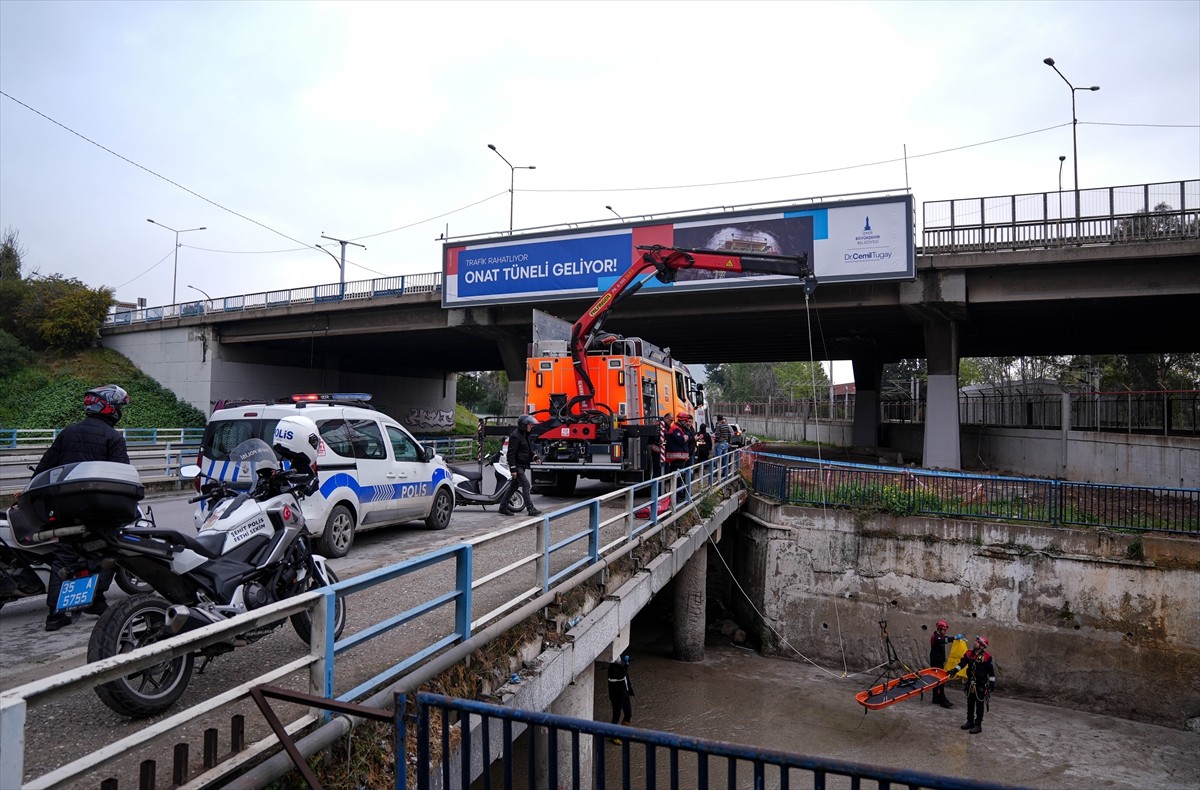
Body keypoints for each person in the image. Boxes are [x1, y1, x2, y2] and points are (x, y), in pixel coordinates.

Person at [35, 385, 131, 631]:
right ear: (111, 408)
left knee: (65, 557)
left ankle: (56, 616)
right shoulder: (113, 438)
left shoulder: (68, 432)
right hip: (99, 512)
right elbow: (121, 477)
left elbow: (44, 467)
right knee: (108, 554)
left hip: (65, 511)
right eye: (119, 406)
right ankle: (95, 598)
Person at [945, 635, 996, 734]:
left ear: (981, 646)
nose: (975, 643)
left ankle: (978, 725)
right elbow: (962, 664)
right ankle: (970, 721)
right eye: (976, 641)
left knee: (979, 705)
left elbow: (991, 672)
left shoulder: (987, 657)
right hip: (970, 683)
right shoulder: (969, 654)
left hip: (980, 685)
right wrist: (954, 671)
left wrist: (992, 684)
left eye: (977, 642)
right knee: (970, 703)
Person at [500, 414, 543, 517]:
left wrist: (535, 457)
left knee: (513, 487)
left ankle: (502, 507)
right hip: (517, 465)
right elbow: (511, 454)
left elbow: (528, 450)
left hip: (522, 465)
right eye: (530, 425)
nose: (532, 426)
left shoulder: (525, 435)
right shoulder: (515, 436)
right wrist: (513, 469)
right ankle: (530, 508)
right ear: (523, 425)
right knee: (526, 485)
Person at [664, 412, 692, 502]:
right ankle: (677, 498)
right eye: (686, 421)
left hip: (680, 458)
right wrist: (686, 437)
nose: (687, 423)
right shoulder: (676, 429)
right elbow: (680, 440)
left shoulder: (679, 428)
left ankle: (678, 496)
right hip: (677, 458)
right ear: (682, 420)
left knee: (678, 478)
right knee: (678, 479)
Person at [607, 653, 634, 741]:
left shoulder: (621, 666)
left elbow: (624, 673)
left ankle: (623, 733)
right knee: (616, 716)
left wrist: (626, 663)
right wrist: (626, 665)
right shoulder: (612, 670)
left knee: (628, 714)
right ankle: (613, 736)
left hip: (625, 695)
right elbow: (620, 676)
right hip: (616, 698)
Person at [929, 619, 955, 709]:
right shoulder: (935, 637)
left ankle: (935, 698)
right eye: (944, 630)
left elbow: (945, 639)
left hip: (939, 662)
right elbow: (942, 640)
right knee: (940, 681)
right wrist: (954, 638)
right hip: (936, 662)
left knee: (936, 681)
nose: (945, 632)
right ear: (939, 629)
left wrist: (954, 639)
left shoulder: (941, 637)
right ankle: (942, 700)